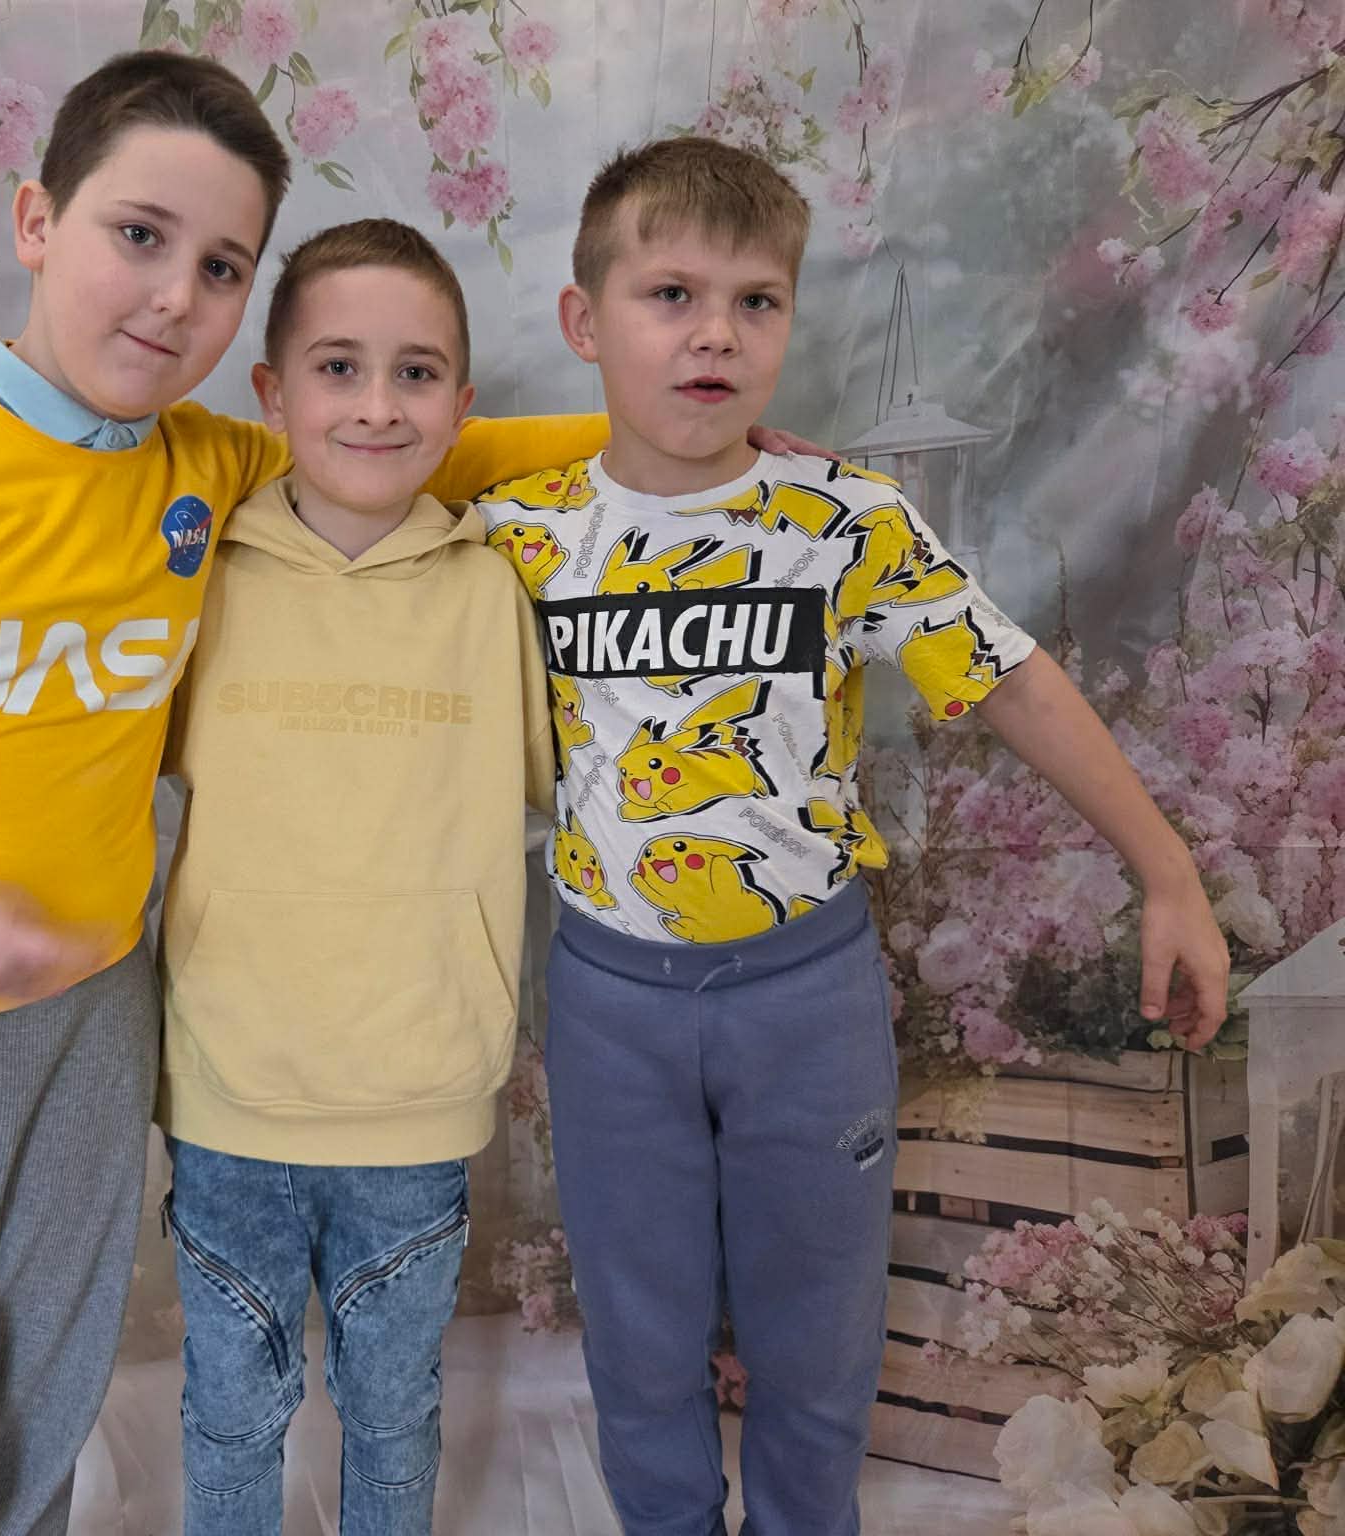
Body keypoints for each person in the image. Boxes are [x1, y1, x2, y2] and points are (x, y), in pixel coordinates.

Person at [0, 49, 616, 1536]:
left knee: (24, 1449)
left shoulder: (209, 468)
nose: (173, 298)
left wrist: (673, 440)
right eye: (139, 235)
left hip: (84, 1033)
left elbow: (441, 447)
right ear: (37, 221)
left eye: (221, 268)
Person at [477, 134, 1231, 1536]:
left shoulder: (841, 521)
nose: (715, 332)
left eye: (755, 301)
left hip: (805, 999)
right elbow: (354, 470)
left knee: (815, 1349)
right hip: (609, 1005)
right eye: (670, 295)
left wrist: (1167, 867)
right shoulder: (513, 534)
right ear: (585, 320)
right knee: (640, 1349)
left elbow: (1011, 678)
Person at [156, 218, 555, 1534]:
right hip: (230, 1087)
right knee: (230, 1413)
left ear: (462, 404)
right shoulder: (198, 580)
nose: (378, 406)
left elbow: (571, 790)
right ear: (271, 396)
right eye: (339, 368)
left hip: (419, 1088)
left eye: (415, 373)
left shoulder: (495, 590)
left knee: (394, 1412)